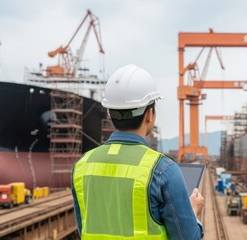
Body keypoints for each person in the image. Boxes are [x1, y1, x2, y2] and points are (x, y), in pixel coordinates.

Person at [71, 64, 205, 239]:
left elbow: (84, 229)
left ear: (110, 113)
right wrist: (193, 211)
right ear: (149, 114)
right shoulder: (163, 170)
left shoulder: (82, 166)